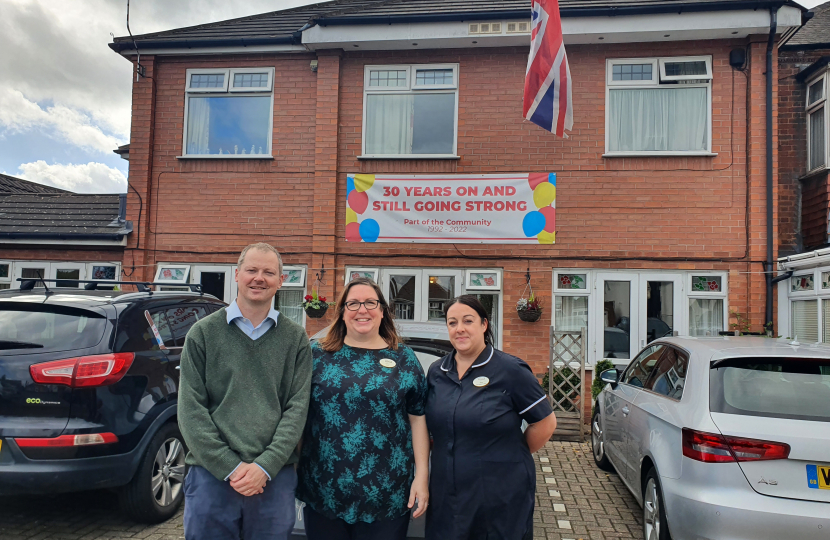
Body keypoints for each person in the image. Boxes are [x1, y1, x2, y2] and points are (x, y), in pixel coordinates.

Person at [178, 243, 312, 540]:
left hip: (273, 479)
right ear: (237, 275)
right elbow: (190, 410)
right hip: (211, 476)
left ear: (281, 280)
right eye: (251, 270)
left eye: (268, 272)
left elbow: (297, 408)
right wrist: (231, 467)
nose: (259, 278)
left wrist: (264, 466)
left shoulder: (295, 339)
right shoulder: (202, 334)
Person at [297, 277, 429, 540]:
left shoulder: (404, 358)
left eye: (370, 302)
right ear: (343, 313)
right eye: (353, 303)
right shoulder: (316, 355)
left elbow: (417, 421)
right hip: (324, 491)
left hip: (387, 494)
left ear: (382, 311)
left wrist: (422, 478)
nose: (362, 309)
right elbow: (298, 414)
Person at [425, 295, 557, 540]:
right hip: (447, 492)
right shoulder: (436, 372)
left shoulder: (510, 370)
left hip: (499, 493)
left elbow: (545, 423)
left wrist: (508, 454)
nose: (459, 328)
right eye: (452, 323)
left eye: (468, 321)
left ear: (484, 325)